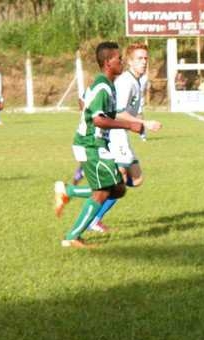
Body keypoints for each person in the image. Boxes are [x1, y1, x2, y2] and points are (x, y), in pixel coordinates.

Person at [54, 42, 143, 248]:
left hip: (97, 143)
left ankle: (68, 191)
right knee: (103, 192)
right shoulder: (103, 87)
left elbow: (84, 102)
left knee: (118, 189)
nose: (121, 61)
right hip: (91, 145)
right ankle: (72, 236)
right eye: (118, 58)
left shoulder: (107, 85)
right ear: (107, 62)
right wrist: (130, 125)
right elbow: (98, 120)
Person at [85, 43, 162, 232]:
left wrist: (140, 125)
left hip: (121, 135)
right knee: (117, 184)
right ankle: (93, 217)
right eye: (139, 59)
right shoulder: (127, 82)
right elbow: (118, 113)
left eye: (146, 58)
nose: (144, 62)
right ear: (129, 61)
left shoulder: (137, 80)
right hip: (115, 134)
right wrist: (144, 123)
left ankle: (89, 199)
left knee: (136, 179)